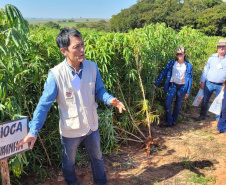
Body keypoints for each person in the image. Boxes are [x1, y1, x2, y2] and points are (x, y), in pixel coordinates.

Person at [16, 28, 126, 185]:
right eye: (76, 47)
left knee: (97, 158)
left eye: (82, 45)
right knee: (68, 163)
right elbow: (44, 104)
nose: (82, 50)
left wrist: (110, 100)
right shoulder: (56, 74)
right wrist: (33, 130)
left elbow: (99, 90)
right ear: (64, 51)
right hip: (70, 129)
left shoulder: (92, 67)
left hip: (91, 125)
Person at [153, 46, 193, 126]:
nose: (179, 56)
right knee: (167, 103)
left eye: (181, 54)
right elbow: (164, 72)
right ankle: (169, 120)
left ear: (184, 54)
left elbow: (190, 79)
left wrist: (188, 91)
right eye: (178, 54)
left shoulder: (188, 65)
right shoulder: (172, 62)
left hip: (182, 86)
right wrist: (156, 83)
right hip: (173, 85)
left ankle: (174, 120)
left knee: (178, 103)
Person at [196, 38, 226, 121]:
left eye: (223, 46)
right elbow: (206, 69)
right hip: (209, 83)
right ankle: (202, 115)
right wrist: (202, 81)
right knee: (205, 100)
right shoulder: (212, 57)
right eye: (220, 46)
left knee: (220, 101)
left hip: (221, 84)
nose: (221, 48)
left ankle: (218, 118)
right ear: (217, 48)